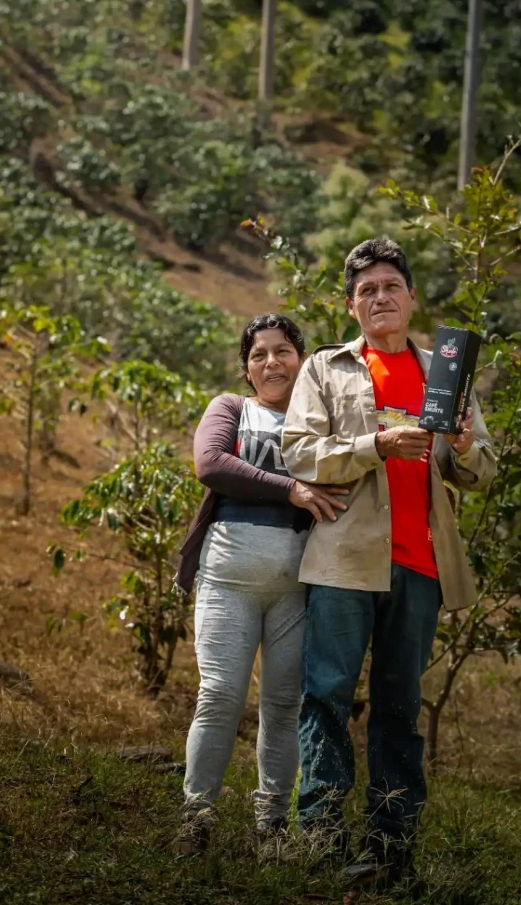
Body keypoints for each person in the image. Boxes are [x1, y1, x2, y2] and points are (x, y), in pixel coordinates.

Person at [281, 238, 496, 888]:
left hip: (421, 565)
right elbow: (298, 452)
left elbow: (480, 467)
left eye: (389, 286)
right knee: (326, 697)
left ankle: (390, 846)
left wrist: (459, 442)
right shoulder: (326, 368)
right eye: (366, 289)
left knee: (399, 707)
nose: (379, 297)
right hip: (344, 560)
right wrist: (375, 443)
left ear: (411, 298)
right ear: (351, 305)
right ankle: (318, 839)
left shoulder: (444, 373)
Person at [175, 314, 348, 856]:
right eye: (258, 355)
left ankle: (271, 824)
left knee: (281, 704)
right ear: (247, 369)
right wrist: (290, 490)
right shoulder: (232, 408)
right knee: (218, 696)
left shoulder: (320, 420)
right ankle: (196, 817)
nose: (271, 362)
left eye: (282, 351)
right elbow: (211, 463)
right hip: (228, 578)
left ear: (302, 359)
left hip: (298, 586)